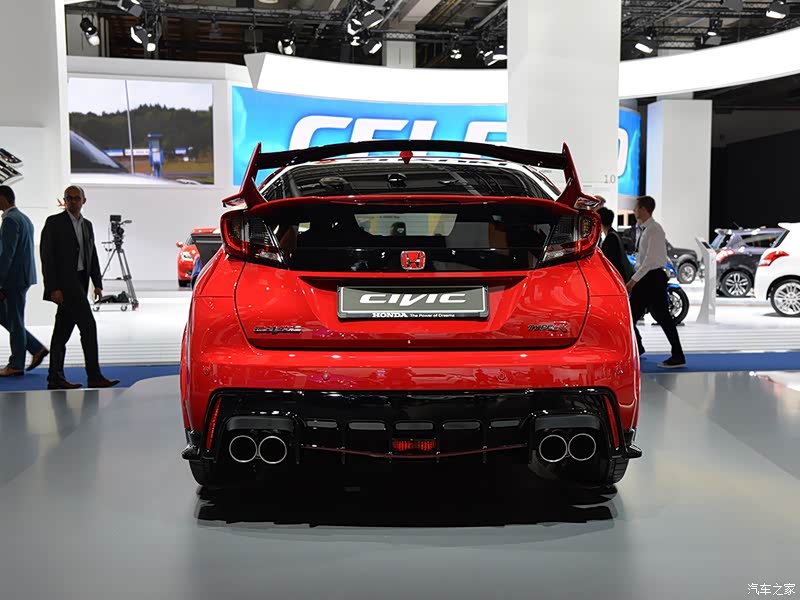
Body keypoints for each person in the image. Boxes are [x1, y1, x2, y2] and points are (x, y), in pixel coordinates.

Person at [40, 186, 119, 389]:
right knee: (88, 327)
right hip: (66, 285)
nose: (73, 201)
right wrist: (53, 288)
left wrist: (97, 283)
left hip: (80, 282)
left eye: (77, 198)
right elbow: (47, 257)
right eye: (69, 198)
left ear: (84, 200)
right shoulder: (54, 223)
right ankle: (93, 376)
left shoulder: (87, 225)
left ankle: (55, 377)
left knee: (61, 332)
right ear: (65, 200)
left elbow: (92, 255)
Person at [626, 195, 686, 369]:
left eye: (636, 207)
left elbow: (650, 261)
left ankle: (676, 355)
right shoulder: (646, 229)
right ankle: (672, 354)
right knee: (653, 316)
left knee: (636, 316)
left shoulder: (654, 230)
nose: (634, 211)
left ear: (644, 209)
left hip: (651, 278)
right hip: (649, 278)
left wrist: (633, 281)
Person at [0, 186, 49, 377]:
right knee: (9, 317)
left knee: (15, 320)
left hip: (13, 279)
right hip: (22, 276)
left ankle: (16, 364)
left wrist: (0, 281)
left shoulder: (10, 220)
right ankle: (36, 348)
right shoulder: (23, 218)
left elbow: (7, 254)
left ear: (3, 198)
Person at [597, 206, 633, 282]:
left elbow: (609, 262)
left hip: (617, 278)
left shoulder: (610, 238)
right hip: (621, 276)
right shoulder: (614, 234)